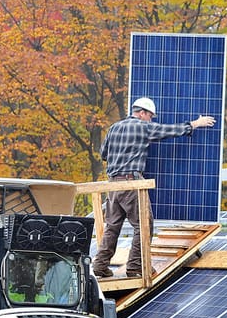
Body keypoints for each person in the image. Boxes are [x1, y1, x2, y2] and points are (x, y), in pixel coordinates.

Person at [91, 97, 216, 278]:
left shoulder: (114, 128)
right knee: (143, 225)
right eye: (150, 116)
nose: (151, 120)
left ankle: (100, 265)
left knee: (112, 227)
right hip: (132, 183)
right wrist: (196, 123)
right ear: (142, 113)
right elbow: (168, 130)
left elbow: (104, 154)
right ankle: (136, 267)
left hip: (113, 185)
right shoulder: (142, 126)